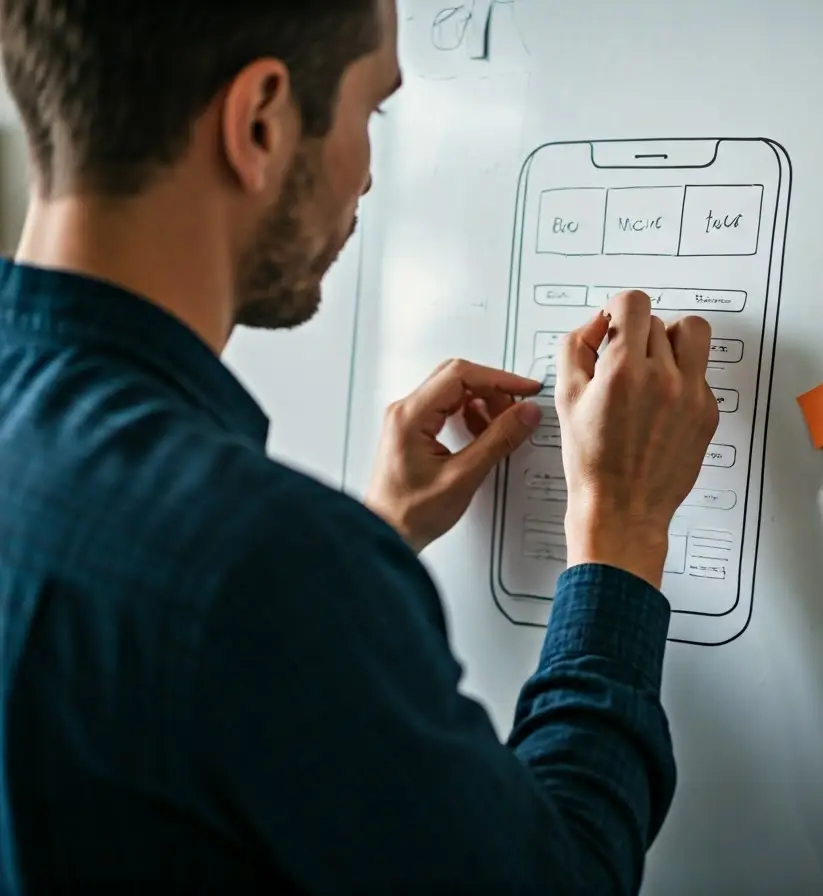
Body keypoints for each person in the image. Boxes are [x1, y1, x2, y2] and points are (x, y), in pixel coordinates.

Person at [0, 0, 720, 892]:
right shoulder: (265, 567)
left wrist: (372, 533)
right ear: (260, 119)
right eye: (371, 112)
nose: (370, 178)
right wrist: (620, 525)